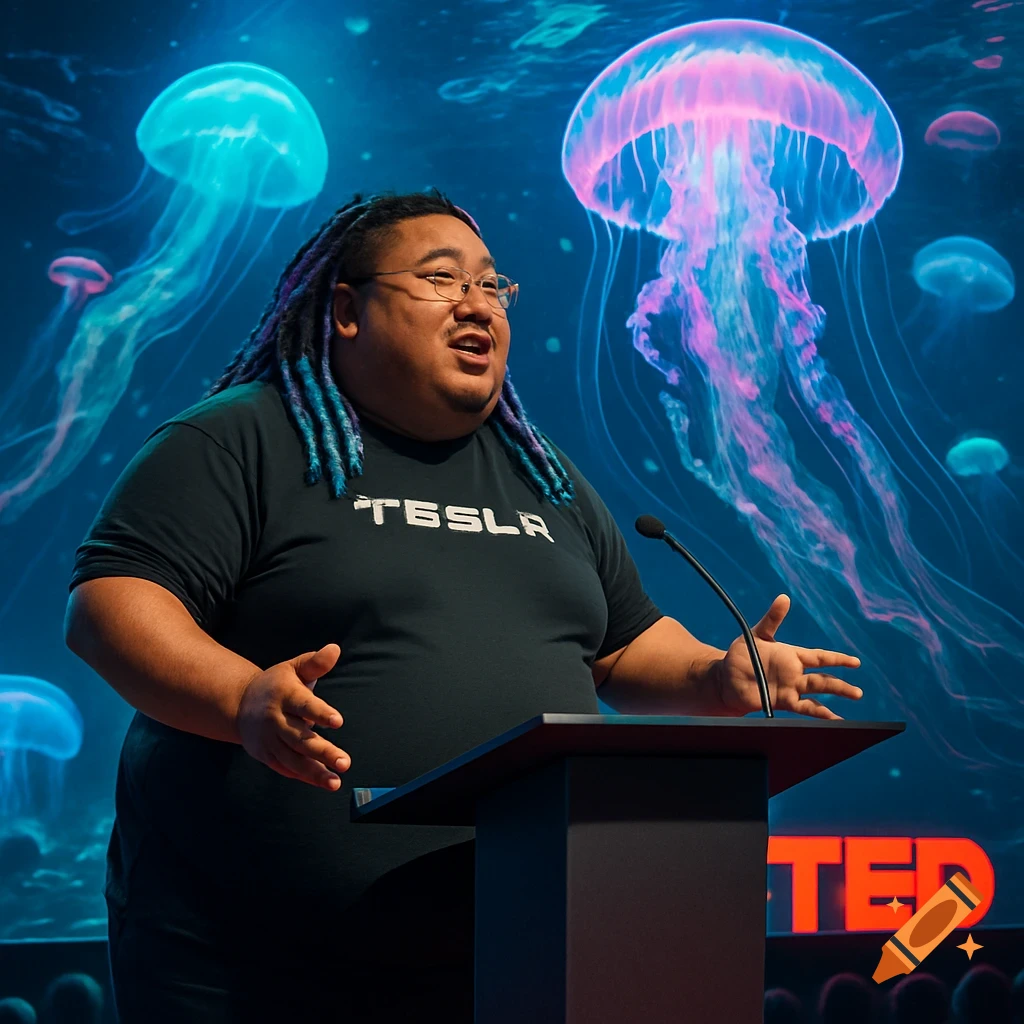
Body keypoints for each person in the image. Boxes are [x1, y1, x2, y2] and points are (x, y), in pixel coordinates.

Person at [64, 189, 864, 1023]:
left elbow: (623, 649)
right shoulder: (239, 439)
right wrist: (241, 698)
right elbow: (110, 606)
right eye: (442, 279)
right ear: (346, 311)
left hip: (516, 953)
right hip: (255, 965)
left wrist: (713, 676)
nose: (478, 303)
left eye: (492, 285)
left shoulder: (541, 473)